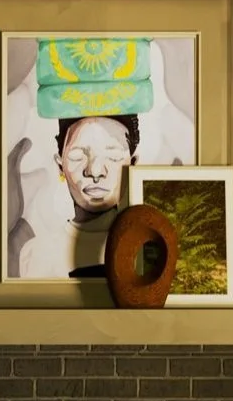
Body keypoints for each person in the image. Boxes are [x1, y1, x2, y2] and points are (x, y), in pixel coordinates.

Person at [13, 114, 140, 278]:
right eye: (77, 156)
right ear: (60, 166)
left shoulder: (146, 247)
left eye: (113, 156)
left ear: (133, 165)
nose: (95, 171)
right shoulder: (37, 255)